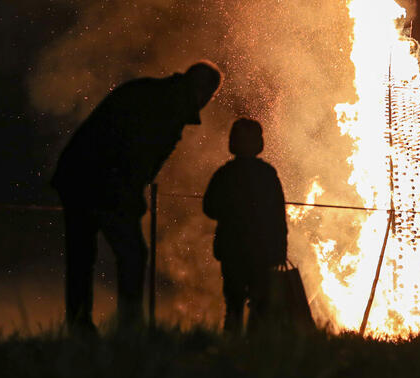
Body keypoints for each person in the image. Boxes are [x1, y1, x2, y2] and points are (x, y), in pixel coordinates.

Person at [52, 61, 222, 335]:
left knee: (82, 255)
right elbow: (136, 154)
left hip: (76, 175)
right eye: (209, 94)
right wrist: (130, 197)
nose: (206, 101)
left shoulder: (157, 95)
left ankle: (80, 326)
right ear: (202, 89)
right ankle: (128, 328)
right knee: (131, 253)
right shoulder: (167, 108)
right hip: (98, 180)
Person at [202, 118, 288, 335]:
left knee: (234, 303)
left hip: (232, 250)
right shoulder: (267, 174)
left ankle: (232, 350)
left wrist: (230, 213)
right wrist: (280, 248)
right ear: (259, 144)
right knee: (261, 305)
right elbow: (278, 215)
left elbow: (209, 207)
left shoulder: (225, 174)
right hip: (262, 251)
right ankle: (257, 352)